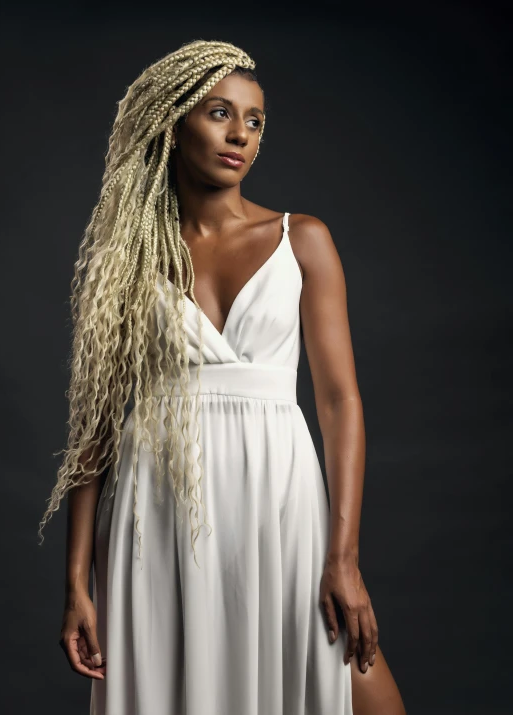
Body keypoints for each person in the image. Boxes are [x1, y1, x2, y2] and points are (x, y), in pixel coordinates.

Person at [40, 39, 407, 714]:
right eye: (219, 113)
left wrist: (344, 557)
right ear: (172, 124)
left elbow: (339, 401)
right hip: (158, 505)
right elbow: (94, 429)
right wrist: (76, 584)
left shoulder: (304, 240)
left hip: (279, 499)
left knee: (352, 681)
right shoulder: (125, 262)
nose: (240, 133)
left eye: (255, 120)